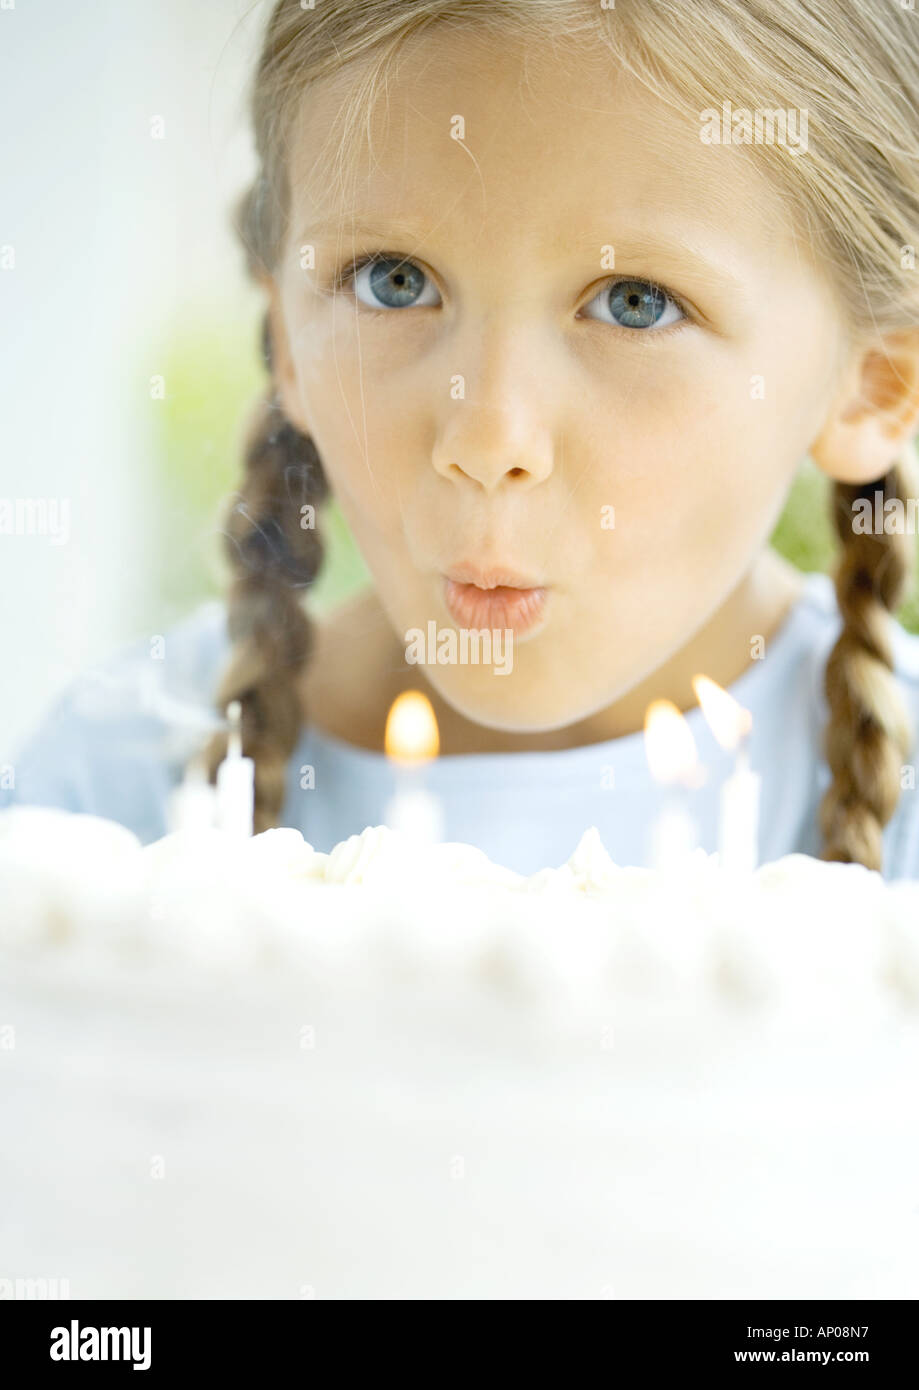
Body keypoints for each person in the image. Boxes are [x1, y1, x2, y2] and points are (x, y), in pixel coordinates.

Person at [4, 0, 919, 877]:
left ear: (876, 386)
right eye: (393, 281)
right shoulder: (99, 803)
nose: (486, 436)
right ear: (284, 335)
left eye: (634, 305)